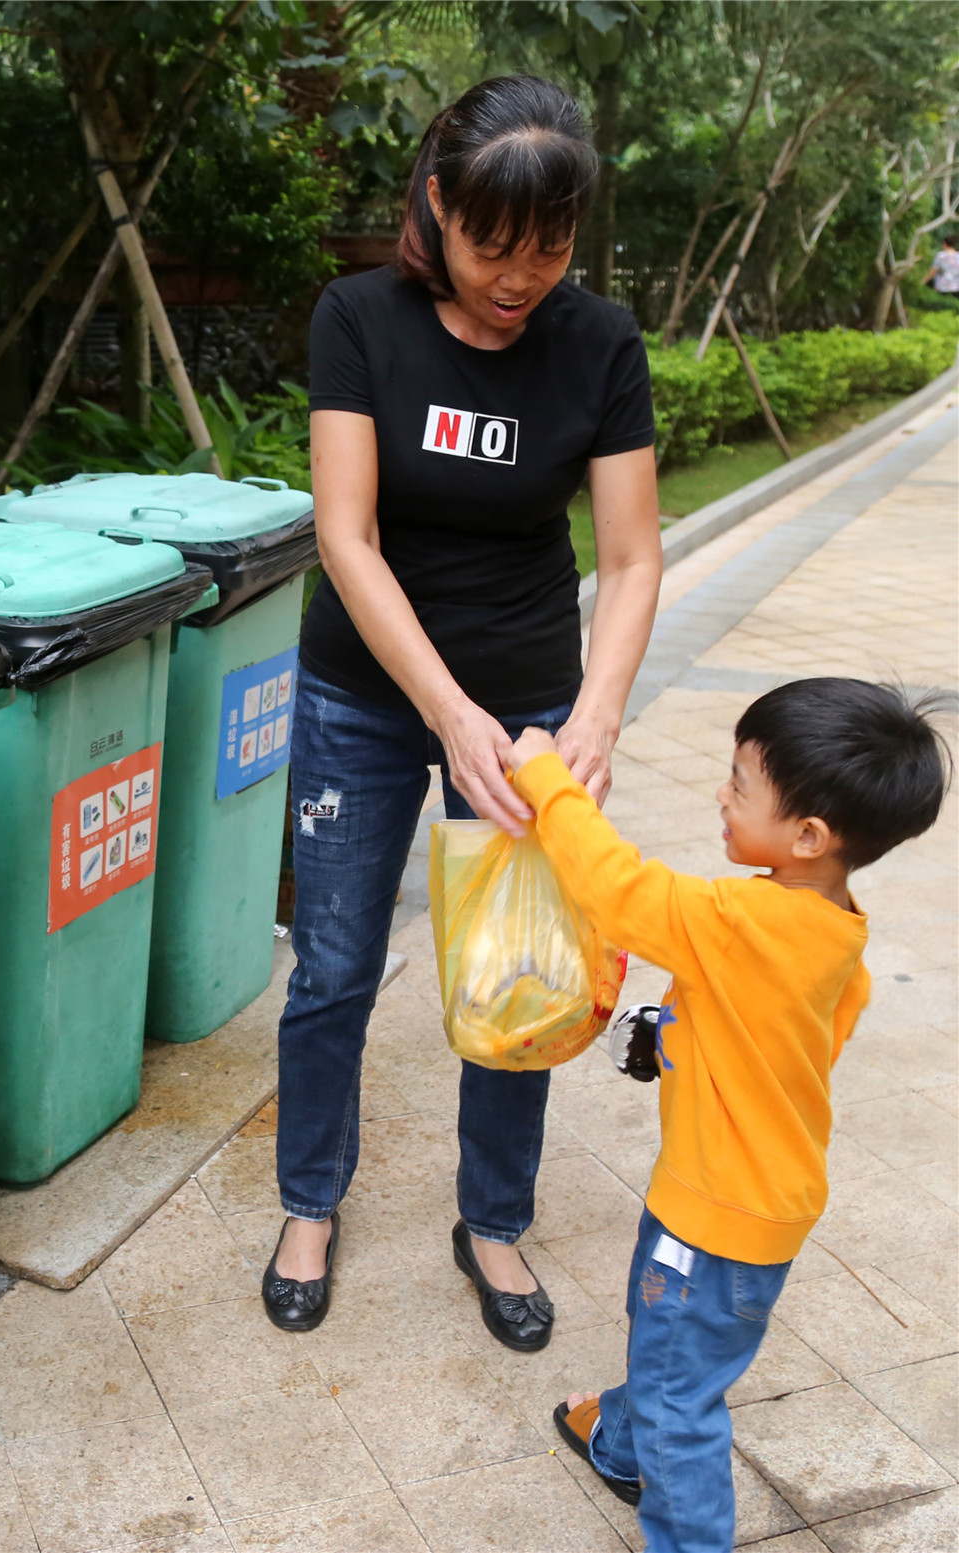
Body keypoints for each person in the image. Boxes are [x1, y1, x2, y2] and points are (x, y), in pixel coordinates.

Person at [261, 75, 663, 1348]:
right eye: (497, 243)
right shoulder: (359, 319)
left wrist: (592, 716)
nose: (523, 273)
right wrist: (441, 708)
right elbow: (345, 531)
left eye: (552, 245)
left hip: (534, 705)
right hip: (367, 696)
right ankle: (308, 1200)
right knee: (331, 964)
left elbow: (634, 556)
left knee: (522, 972)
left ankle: (492, 1220)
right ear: (439, 204)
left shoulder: (598, 343)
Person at [508, 678, 951, 1552]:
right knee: (675, 1342)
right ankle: (624, 1441)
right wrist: (677, 1031)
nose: (721, 792)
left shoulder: (741, 919)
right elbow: (788, 1045)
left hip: (711, 1216)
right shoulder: (837, 932)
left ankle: (685, 1528)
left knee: (683, 1394)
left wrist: (545, 777)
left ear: (809, 835)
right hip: (760, 1203)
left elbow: (619, 891)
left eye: (741, 784)